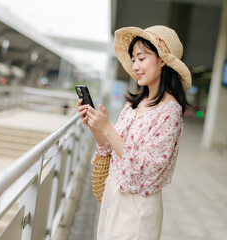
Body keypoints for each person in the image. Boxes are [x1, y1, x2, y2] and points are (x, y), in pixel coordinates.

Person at [77, 25, 192, 240]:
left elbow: (146, 167)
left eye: (141, 58)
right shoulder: (134, 105)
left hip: (138, 206)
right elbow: (111, 148)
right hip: (114, 197)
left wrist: (108, 129)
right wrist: (95, 125)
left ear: (162, 60)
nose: (135, 66)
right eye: (133, 59)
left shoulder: (170, 112)